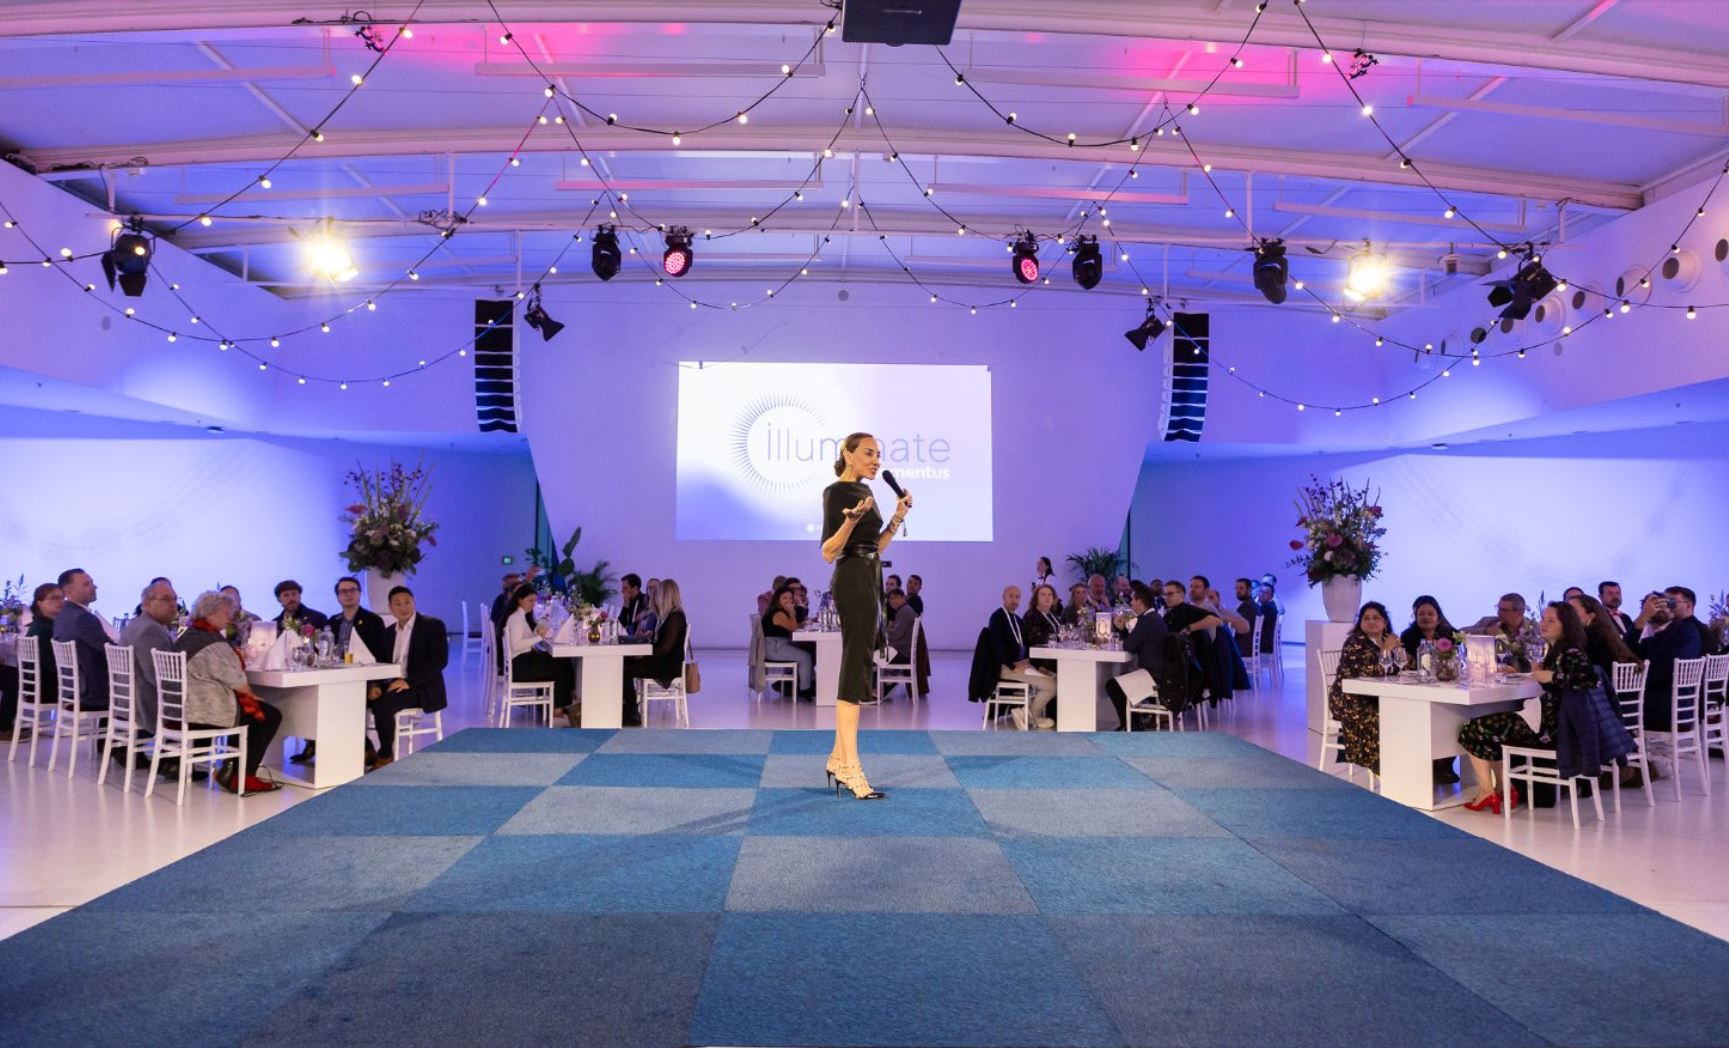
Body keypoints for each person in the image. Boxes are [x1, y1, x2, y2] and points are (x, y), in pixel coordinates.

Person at [1458, 602, 1625, 813]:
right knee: (1485, 727)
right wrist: (1535, 672)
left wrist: (1551, 675)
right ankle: (1499, 789)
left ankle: (1488, 791)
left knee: (1474, 729)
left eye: (1551, 621)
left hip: (1552, 728)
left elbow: (1589, 679)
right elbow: (1559, 682)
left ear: (1566, 625)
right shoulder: (1558, 650)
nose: (1543, 624)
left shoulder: (1571, 652)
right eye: (1543, 619)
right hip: (1550, 721)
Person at [820, 432, 909, 798]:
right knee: (855, 665)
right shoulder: (837, 492)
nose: (876, 460)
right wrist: (850, 521)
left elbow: (876, 546)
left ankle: (839, 759)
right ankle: (851, 767)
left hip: (870, 575)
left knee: (859, 663)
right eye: (868, 453)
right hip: (852, 577)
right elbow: (828, 551)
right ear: (849, 454)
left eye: (879, 455)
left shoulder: (866, 495)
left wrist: (897, 518)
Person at [175, 591, 283, 794]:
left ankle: (231, 769)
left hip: (185, 705)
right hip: (204, 710)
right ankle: (242, 776)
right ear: (211, 613)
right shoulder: (212, 642)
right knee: (268, 715)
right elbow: (238, 682)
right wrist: (256, 697)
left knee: (251, 711)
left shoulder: (189, 635)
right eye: (226, 613)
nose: (229, 617)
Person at [368, 586, 448, 769]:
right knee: (359, 699)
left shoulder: (432, 625)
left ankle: (385, 754)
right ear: (390, 608)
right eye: (398, 604)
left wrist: (408, 682)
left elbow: (439, 661)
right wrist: (375, 685)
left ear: (414, 602)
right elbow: (380, 663)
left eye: (407, 602)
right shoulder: (388, 632)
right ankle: (366, 749)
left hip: (420, 686)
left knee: (383, 704)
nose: (403, 607)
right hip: (392, 684)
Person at [1328, 601, 1401, 776]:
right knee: (1381, 719)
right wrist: (1386, 650)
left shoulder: (1386, 640)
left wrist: (1398, 650)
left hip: (1376, 696)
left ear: (1385, 622)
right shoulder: (1355, 642)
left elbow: (1403, 666)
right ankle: (1383, 771)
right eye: (1366, 618)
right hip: (1351, 700)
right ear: (1360, 622)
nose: (1371, 621)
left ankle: (1402, 765)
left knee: (1406, 714)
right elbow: (1370, 672)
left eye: (1376, 617)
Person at [621, 578, 690, 727]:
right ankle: (627, 709)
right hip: (661, 661)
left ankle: (631, 713)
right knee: (623, 662)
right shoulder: (666, 616)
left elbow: (665, 648)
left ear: (665, 595)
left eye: (657, 594)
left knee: (624, 669)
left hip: (666, 666)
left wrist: (644, 655)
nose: (654, 597)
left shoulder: (676, 617)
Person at [1634, 589, 1703, 734]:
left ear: (1671, 608)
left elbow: (1669, 671)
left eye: (1663, 604)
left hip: (1672, 707)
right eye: (1653, 606)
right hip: (1664, 702)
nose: (1658, 609)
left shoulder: (1684, 631)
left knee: (1608, 707)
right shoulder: (1653, 637)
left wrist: (1637, 681)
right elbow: (1627, 652)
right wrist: (1641, 619)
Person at [503, 583, 577, 717]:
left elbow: (522, 640)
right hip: (521, 667)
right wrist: (539, 637)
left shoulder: (519, 616)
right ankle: (558, 708)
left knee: (563, 660)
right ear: (519, 600)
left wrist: (536, 632)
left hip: (522, 660)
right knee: (560, 669)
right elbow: (517, 645)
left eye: (534, 601)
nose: (533, 604)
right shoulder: (516, 619)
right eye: (530, 601)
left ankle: (564, 700)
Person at [988, 585, 1056, 730]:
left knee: (1053, 678)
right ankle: (1032, 715)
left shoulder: (1018, 620)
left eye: (1017, 597)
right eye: (1011, 596)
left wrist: (1037, 667)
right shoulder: (997, 617)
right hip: (1006, 667)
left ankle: (1026, 713)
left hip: (1022, 665)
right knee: (1051, 686)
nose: (1014, 600)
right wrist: (1013, 666)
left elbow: (1024, 647)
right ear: (1003, 598)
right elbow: (996, 645)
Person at [2, 583, 64, 741]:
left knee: (11, 675)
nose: (60, 601)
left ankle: (4, 725)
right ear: (40, 602)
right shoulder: (47, 628)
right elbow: (51, 665)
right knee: (11, 676)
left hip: (34, 681)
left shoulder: (38, 625)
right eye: (54, 598)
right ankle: (3, 726)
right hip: (47, 685)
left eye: (62, 597)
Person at [121, 579, 179, 743]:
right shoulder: (150, 630)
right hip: (145, 705)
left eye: (175, 599)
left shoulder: (138, 624)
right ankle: (177, 761)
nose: (173, 604)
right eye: (166, 599)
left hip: (129, 701)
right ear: (146, 604)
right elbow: (159, 677)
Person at [1105, 583, 1170, 730]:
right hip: (1159, 671)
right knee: (1119, 680)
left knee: (1112, 685)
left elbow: (1129, 646)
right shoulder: (1153, 618)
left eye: (1133, 600)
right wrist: (1123, 631)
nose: (1131, 603)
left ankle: (1131, 726)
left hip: (1153, 675)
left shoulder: (1147, 620)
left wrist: (1121, 630)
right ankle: (1132, 724)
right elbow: (1133, 642)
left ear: (1140, 601)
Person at [52, 568, 113, 713]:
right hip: (92, 692)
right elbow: (110, 651)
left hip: (71, 689)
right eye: (87, 584)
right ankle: (133, 733)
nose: (94, 587)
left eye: (92, 583)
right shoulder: (83, 618)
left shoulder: (62, 615)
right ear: (69, 592)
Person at [1569, 593, 1637, 687]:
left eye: (1572, 611)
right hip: (1615, 693)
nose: (1566, 616)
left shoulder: (1589, 638)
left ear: (1591, 616)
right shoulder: (1606, 634)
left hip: (1600, 695)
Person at [762, 584, 815, 699]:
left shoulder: (779, 611)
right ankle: (805, 690)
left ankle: (811, 684)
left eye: (790, 598)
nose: (788, 601)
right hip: (774, 648)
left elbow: (792, 625)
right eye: (784, 598)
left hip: (778, 644)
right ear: (778, 599)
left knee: (808, 650)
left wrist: (800, 622)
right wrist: (791, 612)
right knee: (805, 656)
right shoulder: (778, 613)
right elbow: (793, 628)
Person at [1465, 592, 1539, 671]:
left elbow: (1537, 658)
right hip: (1491, 677)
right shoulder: (1488, 622)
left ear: (1520, 612)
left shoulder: (1534, 630)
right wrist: (1484, 631)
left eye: (1504, 610)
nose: (1498, 613)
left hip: (1524, 679)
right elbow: (1457, 635)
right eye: (1498, 608)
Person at [330, 577, 390, 663]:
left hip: (364, 671)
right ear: (338, 597)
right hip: (335, 671)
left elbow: (381, 653)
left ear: (360, 593)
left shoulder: (374, 620)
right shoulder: (333, 621)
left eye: (353, 590)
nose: (348, 594)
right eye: (344, 591)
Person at [1663, 586, 1721, 657]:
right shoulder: (1702, 629)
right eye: (1664, 602)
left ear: (1688, 605)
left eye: (1672, 602)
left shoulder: (1683, 631)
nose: (1667, 606)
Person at [1021, 584, 1064, 675]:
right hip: (1039, 657)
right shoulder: (1031, 615)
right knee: (1068, 665)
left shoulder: (1053, 614)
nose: (1047, 597)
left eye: (1050, 595)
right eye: (1043, 595)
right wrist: (1056, 638)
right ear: (1036, 598)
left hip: (1054, 653)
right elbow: (1034, 638)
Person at [881, 589, 917, 695]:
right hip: (899, 649)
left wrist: (885, 631)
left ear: (903, 597)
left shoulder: (905, 611)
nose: (893, 601)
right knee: (873, 657)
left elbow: (896, 634)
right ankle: (881, 689)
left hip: (899, 652)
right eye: (891, 599)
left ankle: (878, 691)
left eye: (896, 598)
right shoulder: (903, 610)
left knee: (870, 659)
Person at [1399, 595, 1456, 659]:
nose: (1426, 617)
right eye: (1421, 614)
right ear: (1416, 618)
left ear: (1439, 619)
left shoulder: (1452, 634)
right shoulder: (1407, 637)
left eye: (1430, 614)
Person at [1233, 578, 1259, 657]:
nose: (1238, 591)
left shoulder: (1247, 606)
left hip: (1244, 647)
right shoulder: (1252, 604)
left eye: (1241, 588)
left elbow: (1237, 625)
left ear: (1249, 590)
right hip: (1248, 645)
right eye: (1236, 588)